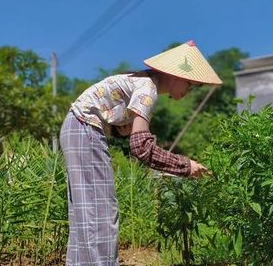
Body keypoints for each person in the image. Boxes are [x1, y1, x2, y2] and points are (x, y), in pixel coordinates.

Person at [59, 40, 222, 266]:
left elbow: (125, 132)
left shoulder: (142, 83)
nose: (189, 91)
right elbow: (141, 148)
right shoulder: (147, 90)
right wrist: (186, 166)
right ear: (177, 76)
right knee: (101, 213)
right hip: (84, 128)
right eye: (190, 84)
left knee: (87, 212)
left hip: (78, 127)